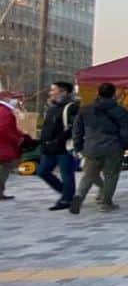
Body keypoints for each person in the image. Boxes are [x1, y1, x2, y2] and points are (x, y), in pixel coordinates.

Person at [70, 82, 128, 214]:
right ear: (114, 94)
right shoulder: (120, 111)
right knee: (111, 175)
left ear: (98, 93)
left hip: (92, 147)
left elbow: (77, 131)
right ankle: (106, 202)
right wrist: (124, 145)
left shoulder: (85, 110)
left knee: (88, 175)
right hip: (113, 147)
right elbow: (125, 131)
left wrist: (78, 146)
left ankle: (79, 197)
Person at [36, 81, 80, 210]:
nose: (50, 93)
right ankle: (66, 192)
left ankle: (67, 199)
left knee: (66, 174)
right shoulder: (52, 107)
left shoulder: (72, 107)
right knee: (42, 171)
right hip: (48, 146)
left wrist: (59, 139)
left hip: (64, 146)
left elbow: (74, 127)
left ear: (64, 92)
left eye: (53, 90)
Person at [0, 96, 26, 200]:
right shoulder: (5, 111)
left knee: (7, 166)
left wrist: (20, 135)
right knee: (7, 166)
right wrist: (17, 139)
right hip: (4, 145)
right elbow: (3, 129)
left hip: (4, 144)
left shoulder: (4, 110)